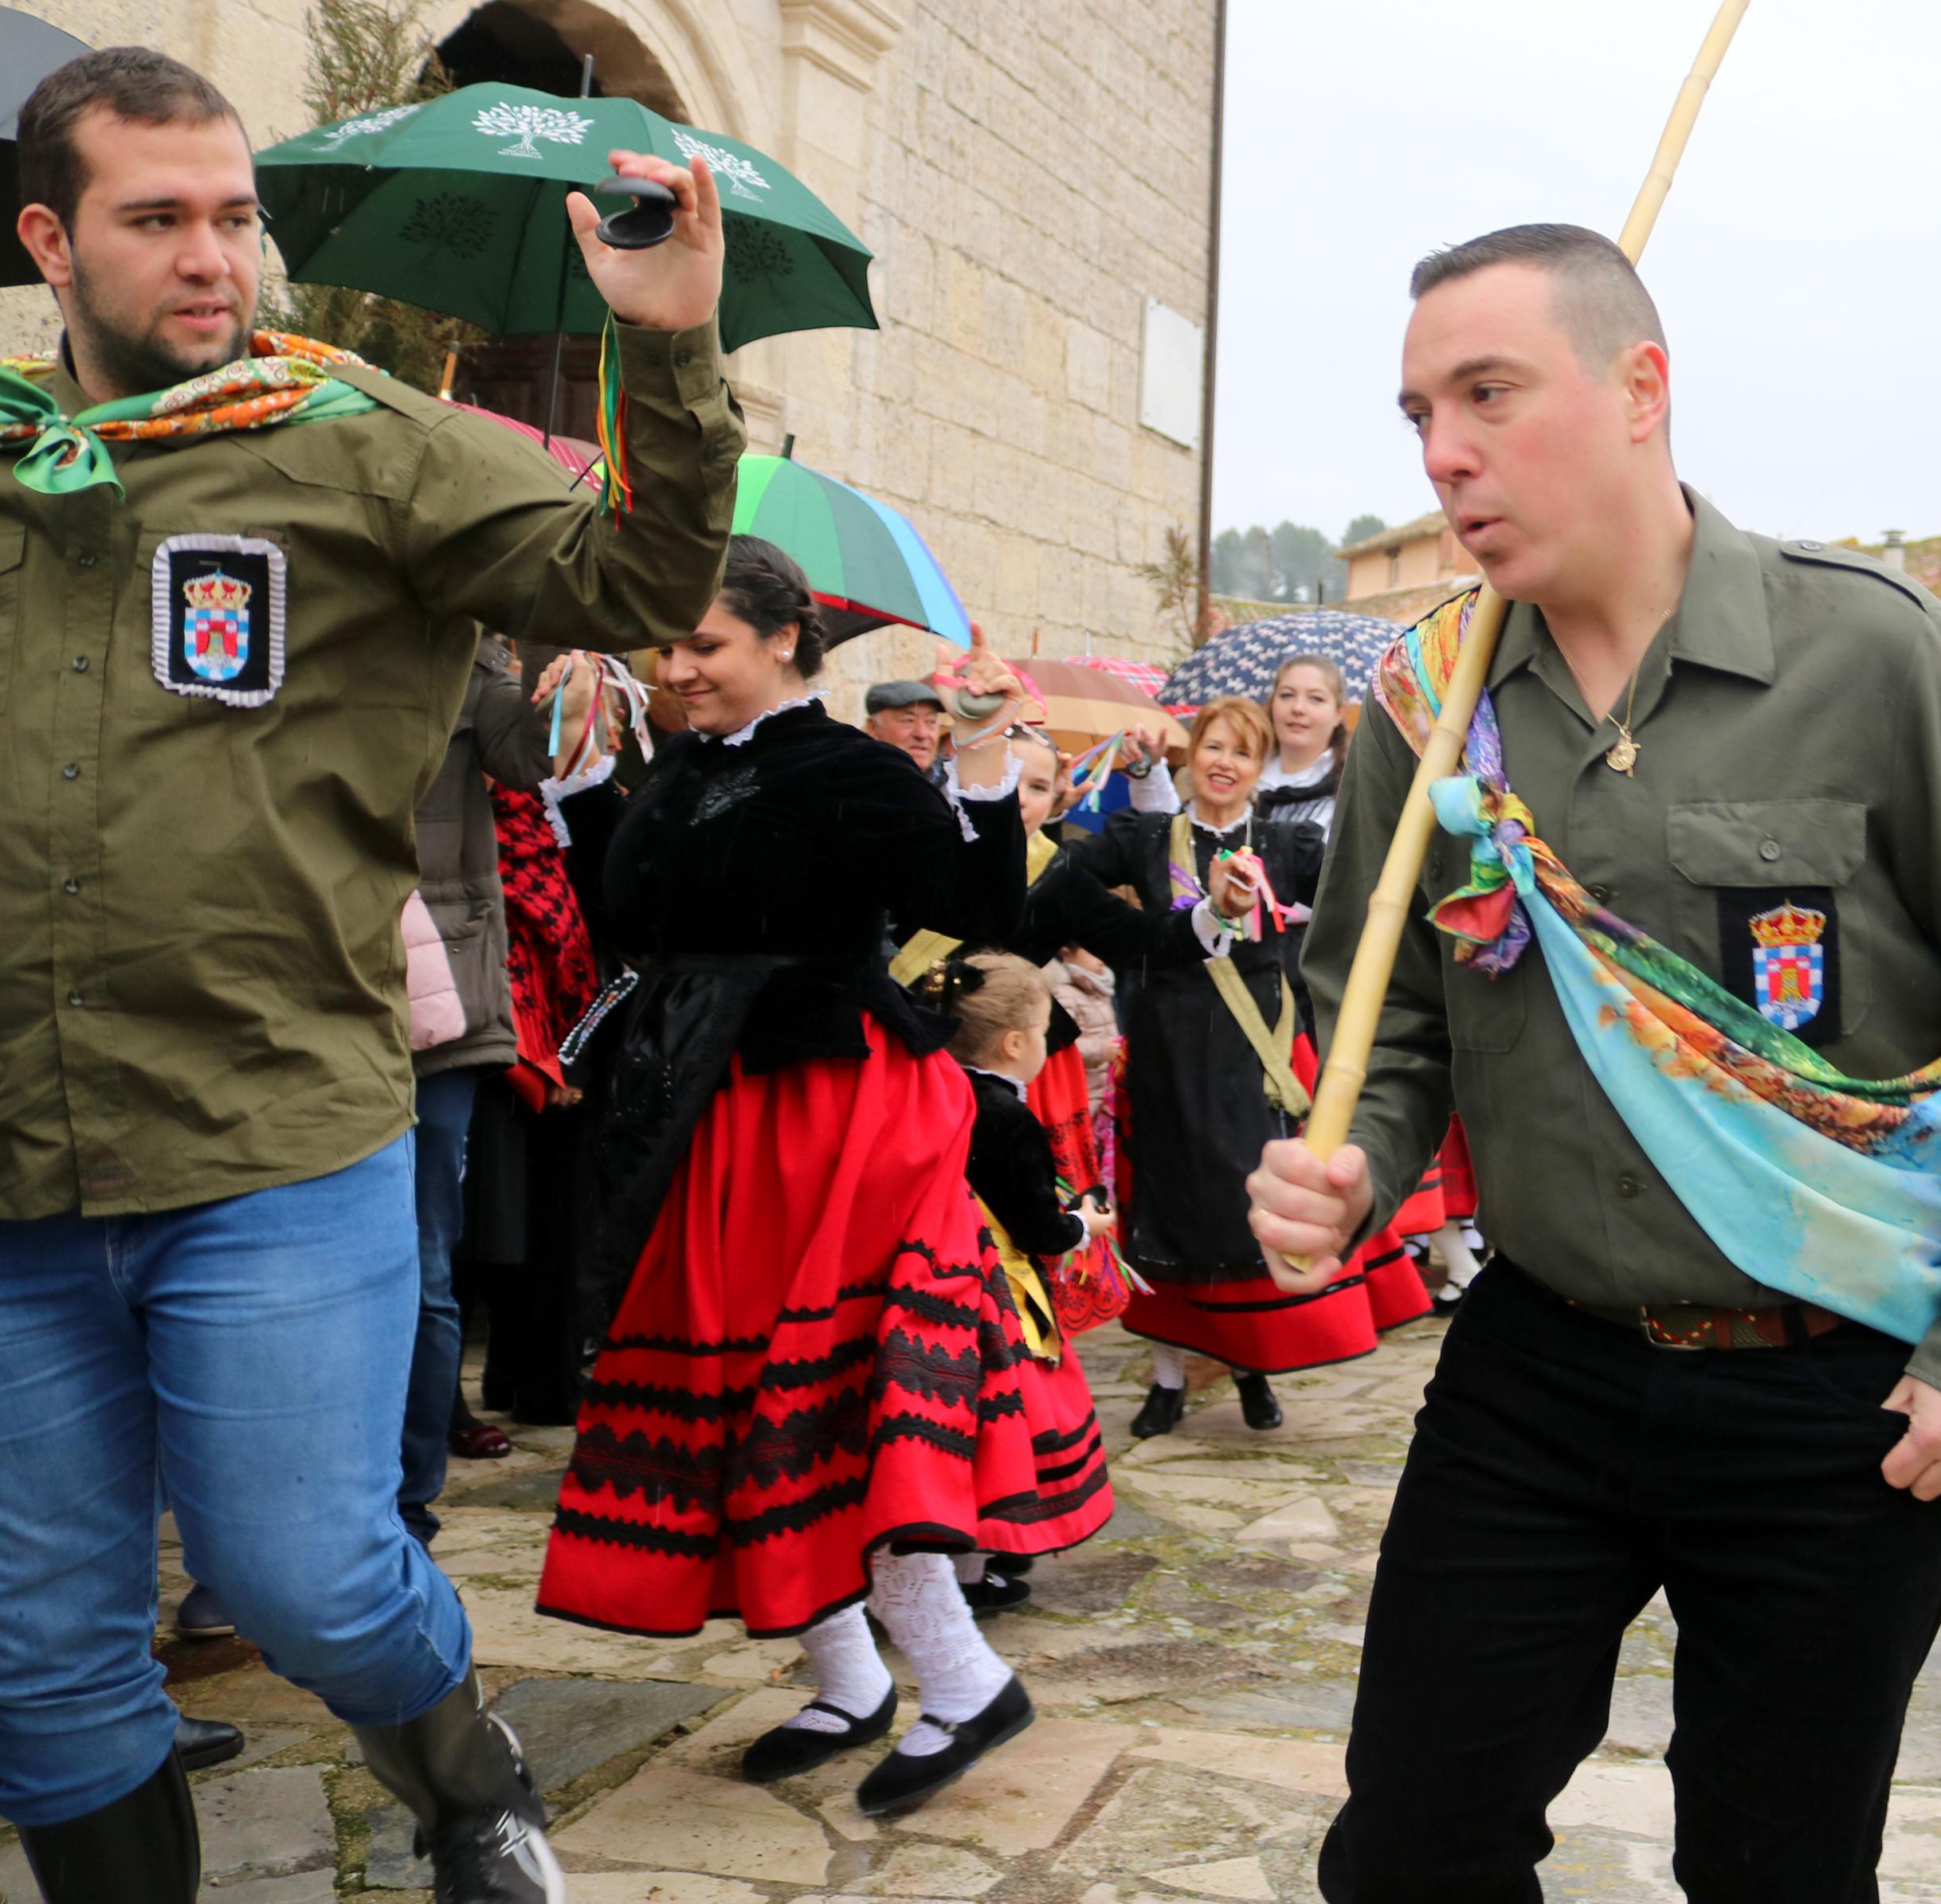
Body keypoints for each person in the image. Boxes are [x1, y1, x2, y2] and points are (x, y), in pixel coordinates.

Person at [1246, 224, 1941, 1899]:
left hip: (1834, 1387)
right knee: (1412, 1844)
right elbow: (1387, 1006)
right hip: (1538, 1363)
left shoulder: (1869, 660)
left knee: (1776, 1866)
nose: (1443, 452)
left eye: (1488, 393)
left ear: (1639, 389)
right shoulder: (1422, 698)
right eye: (1419, 411)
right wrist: (1353, 1151)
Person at [0, 45, 738, 1904]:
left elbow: (630, 586)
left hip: (270, 1137)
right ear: (51, 241)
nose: (213, 255)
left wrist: (671, 356)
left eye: (233, 214)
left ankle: (470, 1784)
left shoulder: (357, 434)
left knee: (312, 1574)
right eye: (159, 221)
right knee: (46, 1656)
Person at [534, 539, 1095, 1818]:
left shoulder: (849, 769)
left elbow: (977, 903)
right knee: (739, 1393)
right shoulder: (678, 762)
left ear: (787, 639)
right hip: (713, 1110)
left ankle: (962, 1677)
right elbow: (637, 915)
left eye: (704, 646)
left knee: (835, 1404)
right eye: (666, 648)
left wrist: (977, 750)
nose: (676, 669)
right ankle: (849, 1677)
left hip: (833, 1113)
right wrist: (576, 791)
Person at [737, 946, 1119, 1783]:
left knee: (858, 1430)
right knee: (928, 1438)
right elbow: (1037, 1219)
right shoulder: (1002, 1113)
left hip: (871, 1212)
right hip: (982, 1288)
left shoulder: (928, 1092)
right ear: (1016, 1042)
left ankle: (940, 1662)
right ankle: (900, 1641)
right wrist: (1083, 1225)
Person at [1024, 696, 1426, 1439]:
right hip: (1164, 1052)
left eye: (1242, 752)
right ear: (1192, 753)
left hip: (1253, 1058)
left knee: (1244, 1209)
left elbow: (1359, 899)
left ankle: (1252, 1369)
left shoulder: (1287, 843)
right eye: (1212, 746)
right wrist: (1039, 806)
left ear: (1258, 765)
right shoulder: (1145, 835)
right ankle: (1168, 1380)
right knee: (1162, 1211)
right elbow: (1061, 876)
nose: (1224, 763)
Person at [400, 631, 558, 1548]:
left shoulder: (471, 657)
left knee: (423, 1261)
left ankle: (406, 1506)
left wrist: (544, 668)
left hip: (436, 1000)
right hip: (298, 986)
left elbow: (529, 755)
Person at [1260, 652, 1351, 837]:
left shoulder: (1352, 787)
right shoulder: (1247, 777)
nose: (1298, 708)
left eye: (1316, 699)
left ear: (1338, 713)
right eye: (1286, 695)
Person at [863, 676, 948, 774]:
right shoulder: (852, 780)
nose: (922, 734)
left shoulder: (953, 782)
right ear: (874, 728)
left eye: (930, 721)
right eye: (908, 720)